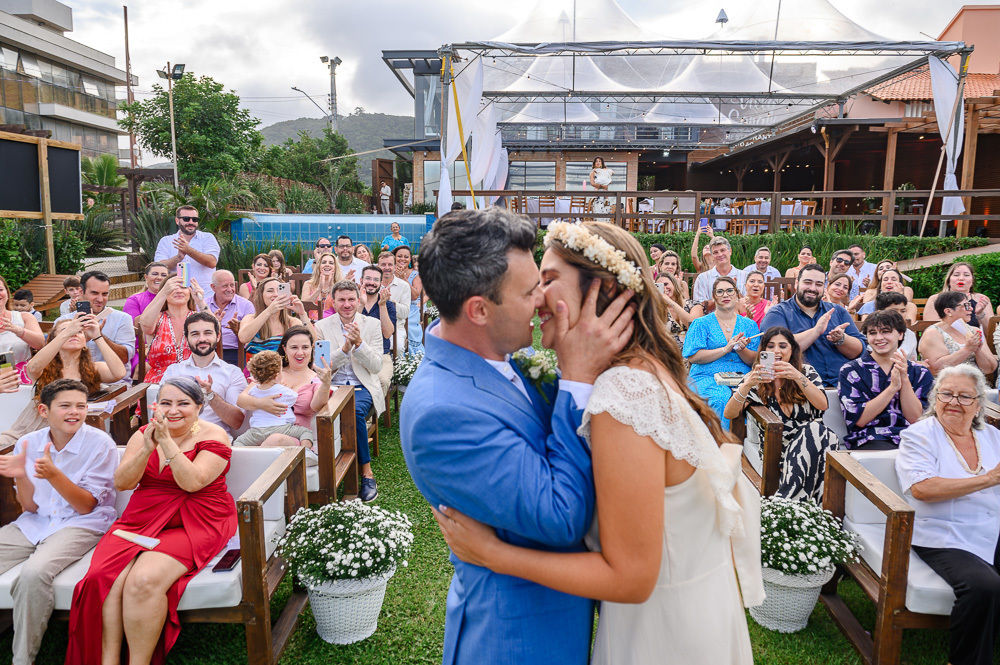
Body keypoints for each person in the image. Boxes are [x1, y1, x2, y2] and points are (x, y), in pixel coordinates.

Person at [421, 214, 761, 665]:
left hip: (661, 636)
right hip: (685, 614)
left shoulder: (624, 393)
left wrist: (494, 554)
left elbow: (632, 577)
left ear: (601, 290)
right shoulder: (639, 369)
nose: (538, 298)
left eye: (549, 280)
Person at [65, 378, 235, 665]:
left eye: (183, 403)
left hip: (196, 520)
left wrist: (167, 443)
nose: (173, 410)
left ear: (199, 407)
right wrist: (146, 448)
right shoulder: (143, 433)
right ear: (156, 406)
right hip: (141, 519)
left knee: (142, 581)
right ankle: (108, 660)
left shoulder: (215, 435)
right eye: (166, 403)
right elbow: (122, 483)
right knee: (102, 579)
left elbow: (192, 483)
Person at [0, 379, 118, 665]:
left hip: (83, 523)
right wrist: (21, 476)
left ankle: (22, 659)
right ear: (44, 410)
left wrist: (54, 475)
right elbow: (28, 506)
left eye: (81, 406)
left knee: (34, 573)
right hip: (35, 521)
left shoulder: (100, 444)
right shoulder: (29, 443)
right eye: (65, 406)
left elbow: (86, 505)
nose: (74, 412)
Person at [895, 365, 1000, 665]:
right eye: (946, 394)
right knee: (984, 587)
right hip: (941, 533)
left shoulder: (991, 436)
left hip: (991, 524)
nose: (954, 402)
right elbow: (922, 489)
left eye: (965, 396)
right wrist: (989, 479)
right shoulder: (920, 436)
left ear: (979, 403)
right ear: (934, 398)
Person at [724, 327, 838, 500]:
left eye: (783, 346)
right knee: (818, 435)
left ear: (792, 350)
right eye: (770, 346)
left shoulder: (806, 372)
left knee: (816, 431)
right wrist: (747, 385)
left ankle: (785, 504)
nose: (776, 351)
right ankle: (802, 510)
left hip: (815, 442)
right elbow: (729, 413)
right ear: (763, 351)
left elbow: (822, 405)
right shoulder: (756, 379)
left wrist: (797, 377)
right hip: (777, 446)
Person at [0, 316, 126, 447]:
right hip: (29, 429)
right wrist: (68, 332)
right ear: (55, 341)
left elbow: (119, 373)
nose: (73, 334)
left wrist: (97, 337)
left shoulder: (93, 368)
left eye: (78, 332)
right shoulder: (45, 366)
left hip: (68, 433)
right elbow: (33, 367)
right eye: (65, 331)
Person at [315, 280, 385, 502]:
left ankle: (366, 472)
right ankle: (326, 464)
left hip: (362, 386)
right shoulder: (322, 326)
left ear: (358, 300)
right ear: (333, 302)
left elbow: (376, 366)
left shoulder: (372, 324)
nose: (346, 304)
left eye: (351, 299)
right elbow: (320, 366)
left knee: (351, 412)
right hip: (332, 385)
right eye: (342, 300)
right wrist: (345, 349)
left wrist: (360, 344)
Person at [840, 310, 933, 450]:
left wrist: (904, 380)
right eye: (872, 333)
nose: (879, 338)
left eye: (885, 331)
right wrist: (892, 388)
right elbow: (860, 420)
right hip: (870, 438)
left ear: (900, 334)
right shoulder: (851, 371)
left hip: (913, 438)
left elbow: (916, 420)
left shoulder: (920, 372)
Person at [760, 264, 865, 386]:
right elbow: (773, 351)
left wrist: (842, 340)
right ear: (797, 283)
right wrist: (816, 331)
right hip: (800, 386)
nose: (813, 288)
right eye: (808, 282)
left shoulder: (837, 311)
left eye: (819, 284)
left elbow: (860, 350)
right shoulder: (778, 313)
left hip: (844, 384)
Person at [684, 276, 760, 428]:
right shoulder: (701, 323)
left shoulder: (749, 325)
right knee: (720, 397)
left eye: (729, 290)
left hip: (741, 377)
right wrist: (726, 349)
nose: (725, 295)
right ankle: (720, 443)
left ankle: (745, 445)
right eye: (720, 292)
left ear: (737, 294)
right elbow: (693, 357)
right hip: (706, 375)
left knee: (755, 397)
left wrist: (741, 350)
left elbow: (753, 360)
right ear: (714, 296)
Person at [161, 312, 248, 434]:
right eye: (195, 334)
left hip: (213, 439)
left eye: (208, 333)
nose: (202, 339)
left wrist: (210, 395)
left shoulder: (232, 373)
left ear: (217, 336)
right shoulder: (173, 371)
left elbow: (237, 421)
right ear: (187, 339)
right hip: (178, 438)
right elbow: (159, 414)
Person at [235, 351, 316, 458]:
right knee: (306, 432)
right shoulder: (283, 390)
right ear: (277, 375)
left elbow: (244, 398)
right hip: (282, 428)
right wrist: (283, 388)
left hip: (257, 431)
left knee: (238, 442)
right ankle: (306, 452)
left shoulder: (252, 391)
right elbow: (293, 399)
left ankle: (247, 456)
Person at [55, 271, 136, 376]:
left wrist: (98, 336)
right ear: (81, 291)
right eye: (94, 293)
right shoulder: (64, 321)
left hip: (114, 383)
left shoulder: (122, 318)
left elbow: (125, 358)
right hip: (75, 380)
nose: (100, 299)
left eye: (105, 294)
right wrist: (79, 336)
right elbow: (54, 358)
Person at [136, 275, 206, 384]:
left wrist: (200, 301)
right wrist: (163, 293)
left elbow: (216, 333)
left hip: (195, 382)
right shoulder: (157, 318)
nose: (178, 291)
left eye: (183, 287)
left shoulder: (198, 319)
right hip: (159, 383)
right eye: (173, 288)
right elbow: (145, 326)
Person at [919, 290, 998, 378]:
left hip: (975, 382)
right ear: (948, 311)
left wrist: (978, 351)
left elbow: (990, 369)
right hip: (945, 384)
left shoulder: (974, 331)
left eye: (970, 305)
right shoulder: (933, 333)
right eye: (966, 306)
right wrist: (967, 349)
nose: (971, 309)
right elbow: (935, 369)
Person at [238, 276, 312, 363]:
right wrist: (269, 311)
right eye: (270, 291)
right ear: (261, 295)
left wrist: (303, 314)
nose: (276, 294)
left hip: (284, 372)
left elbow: (313, 343)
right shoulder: (250, 318)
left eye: (279, 290)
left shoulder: (292, 322)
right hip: (256, 372)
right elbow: (243, 338)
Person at [154, 205, 220, 292]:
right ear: (177, 221)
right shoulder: (166, 241)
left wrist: (188, 250)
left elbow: (212, 262)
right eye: (186, 219)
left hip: (205, 295)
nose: (191, 222)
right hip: (176, 294)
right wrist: (178, 258)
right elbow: (158, 267)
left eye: (194, 219)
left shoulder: (207, 238)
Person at [0, 275, 45, 383]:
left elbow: (40, 343)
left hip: (21, 379)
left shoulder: (24, 317)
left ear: (7, 292)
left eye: (0, 289)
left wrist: (18, 330)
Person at [359, 265, 396, 394]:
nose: (371, 283)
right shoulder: (352, 302)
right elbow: (349, 328)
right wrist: (361, 304)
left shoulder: (388, 305)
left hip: (381, 354)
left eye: (375, 280)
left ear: (380, 283)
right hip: (356, 354)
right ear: (361, 280)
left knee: (382, 381)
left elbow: (387, 333)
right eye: (368, 278)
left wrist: (382, 305)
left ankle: (375, 412)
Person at [205, 270, 255, 366]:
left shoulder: (245, 305)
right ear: (213, 287)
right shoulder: (203, 305)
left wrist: (238, 330)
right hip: (208, 352)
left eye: (232, 285)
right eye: (224, 286)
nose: (229, 289)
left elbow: (251, 340)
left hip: (237, 353)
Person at [924, 262, 995, 325]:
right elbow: (930, 327)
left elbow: (992, 332)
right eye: (956, 275)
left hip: (977, 338)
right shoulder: (935, 299)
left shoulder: (981, 299)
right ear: (948, 280)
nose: (961, 278)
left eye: (966, 275)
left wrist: (980, 314)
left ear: (972, 281)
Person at [692, 236, 746, 303]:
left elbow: (749, 303)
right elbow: (699, 306)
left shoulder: (745, 276)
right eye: (715, 252)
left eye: (723, 250)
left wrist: (735, 290)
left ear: (730, 251)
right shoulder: (702, 278)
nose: (720, 254)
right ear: (712, 256)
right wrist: (718, 297)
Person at [393, 244, 424, 356]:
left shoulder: (415, 275)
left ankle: (413, 358)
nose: (402, 259)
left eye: (406, 257)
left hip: (410, 309)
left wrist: (404, 280)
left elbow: (415, 295)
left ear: (410, 259)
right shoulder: (388, 272)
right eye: (399, 256)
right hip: (393, 306)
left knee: (409, 323)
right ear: (394, 258)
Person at [656, 273, 700, 347]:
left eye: (666, 284)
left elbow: (694, 327)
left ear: (674, 284)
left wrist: (670, 302)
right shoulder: (657, 308)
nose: (664, 288)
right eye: (660, 286)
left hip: (692, 350)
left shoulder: (693, 305)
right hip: (668, 351)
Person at [378, 250, 410, 351]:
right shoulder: (373, 285)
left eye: (390, 264)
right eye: (383, 264)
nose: (387, 268)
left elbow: (405, 313)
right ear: (378, 266)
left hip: (396, 328)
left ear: (395, 266)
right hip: (374, 327)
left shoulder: (404, 286)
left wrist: (390, 302)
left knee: (399, 347)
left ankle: (399, 367)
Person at [876, 292, 919, 361]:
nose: (899, 315)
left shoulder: (910, 334)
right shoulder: (872, 333)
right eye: (893, 311)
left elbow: (913, 360)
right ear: (879, 312)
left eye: (903, 311)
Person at [301, 253, 343, 318]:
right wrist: (319, 289)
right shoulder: (308, 284)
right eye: (324, 262)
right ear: (319, 266)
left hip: (333, 323)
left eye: (331, 263)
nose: (327, 265)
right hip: (312, 322)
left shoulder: (340, 285)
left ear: (335, 268)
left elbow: (341, 309)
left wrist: (332, 287)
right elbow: (304, 306)